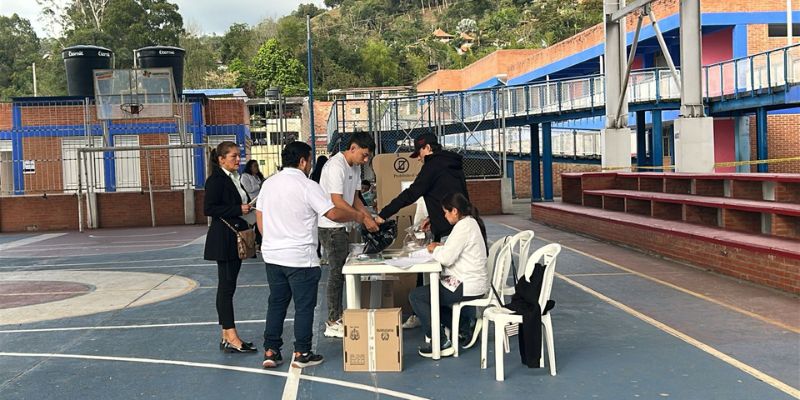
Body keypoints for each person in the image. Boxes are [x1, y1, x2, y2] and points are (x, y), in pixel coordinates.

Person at [256, 141, 367, 368]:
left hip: (273, 256)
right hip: (300, 257)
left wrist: (272, 241)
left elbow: (260, 218)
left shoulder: (268, 184)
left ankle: (271, 350)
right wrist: (358, 217)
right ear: (303, 161)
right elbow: (332, 213)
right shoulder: (307, 185)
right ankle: (302, 352)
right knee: (304, 306)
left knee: (276, 303)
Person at [375, 132, 469, 329]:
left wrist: (383, 214)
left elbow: (411, 193)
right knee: (457, 275)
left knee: (448, 278)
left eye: (419, 153)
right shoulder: (452, 164)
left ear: (427, 148)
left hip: (449, 233)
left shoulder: (432, 164)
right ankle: (460, 323)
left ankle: (454, 326)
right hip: (457, 227)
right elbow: (451, 196)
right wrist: (432, 219)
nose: (418, 158)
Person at [409, 192, 488, 358]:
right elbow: (455, 248)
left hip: (465, 284)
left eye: (446, 212)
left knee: (418, 297)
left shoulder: (463, 227)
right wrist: (442, 245)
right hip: (470, 281)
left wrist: (434, 249)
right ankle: (465, 326)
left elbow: (446, 258)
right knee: (432, 298)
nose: (444, 216)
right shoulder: (469, 223)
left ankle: (441, 342)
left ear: (455, 211)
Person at [318, 132, 379, 339]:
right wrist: (362, 219)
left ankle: (340, 315)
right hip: (331, 226)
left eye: (368, 156)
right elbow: (337, 201)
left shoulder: (355, 167)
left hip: (344, 225)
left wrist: (369, 215)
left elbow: (354, 199)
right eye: (364, 155)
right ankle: (333, 320)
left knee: (344, 271)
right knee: (337, 273)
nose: (366, 160)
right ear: (352, 148)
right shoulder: (336, 166)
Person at [203, 141, 257, 353]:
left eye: (238, 156)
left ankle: (226, 334)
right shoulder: (216, 180)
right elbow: (209, 208)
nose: (238, 159)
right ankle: (231, 334)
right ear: (221, 159)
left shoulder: (235, 178)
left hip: (233, 234)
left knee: (228, 286)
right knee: (226, 287)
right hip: (224, 237)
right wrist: (237, 208)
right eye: (233, 156)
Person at [241, 160, 265, 247]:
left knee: (260, 221)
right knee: (253, 222)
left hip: (260, 201)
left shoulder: (258, 176)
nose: (257, 168)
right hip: (251, 202)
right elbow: (248, 189)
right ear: (250, 167)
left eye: (257, 166)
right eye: (255, 166)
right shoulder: (245, 176)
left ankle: (259, 242)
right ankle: (253, 242)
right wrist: (259, 185)